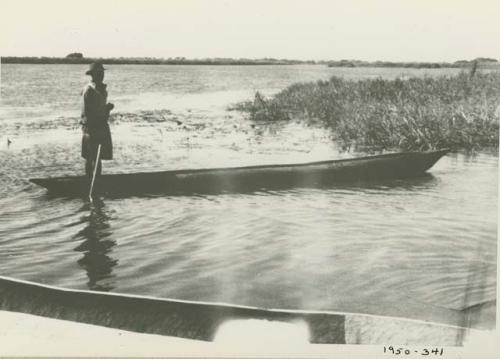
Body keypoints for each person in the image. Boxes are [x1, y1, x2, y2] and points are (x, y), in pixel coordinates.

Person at [81, 62, 114, 179]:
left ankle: (97, 181)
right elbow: (88, 112)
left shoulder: (102, 90)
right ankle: (90, 181)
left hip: (101, 125)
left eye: (102, 73)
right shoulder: (89, 90)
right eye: (99, 73)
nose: (101, 75)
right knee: (91, 156)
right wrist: (90, 128)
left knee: (98, 157)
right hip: (91, 127)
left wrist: (107, 109)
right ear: (93, 75)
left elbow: (99, 109)